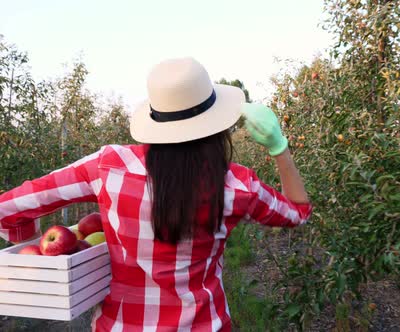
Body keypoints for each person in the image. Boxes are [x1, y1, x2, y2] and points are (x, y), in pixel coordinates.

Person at [0, 57, 312, 331]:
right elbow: (298, 213)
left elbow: (9, 208)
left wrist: (27, 237)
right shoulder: (237, 185)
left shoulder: (107, 166)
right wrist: (278, 146)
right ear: (218, 123)